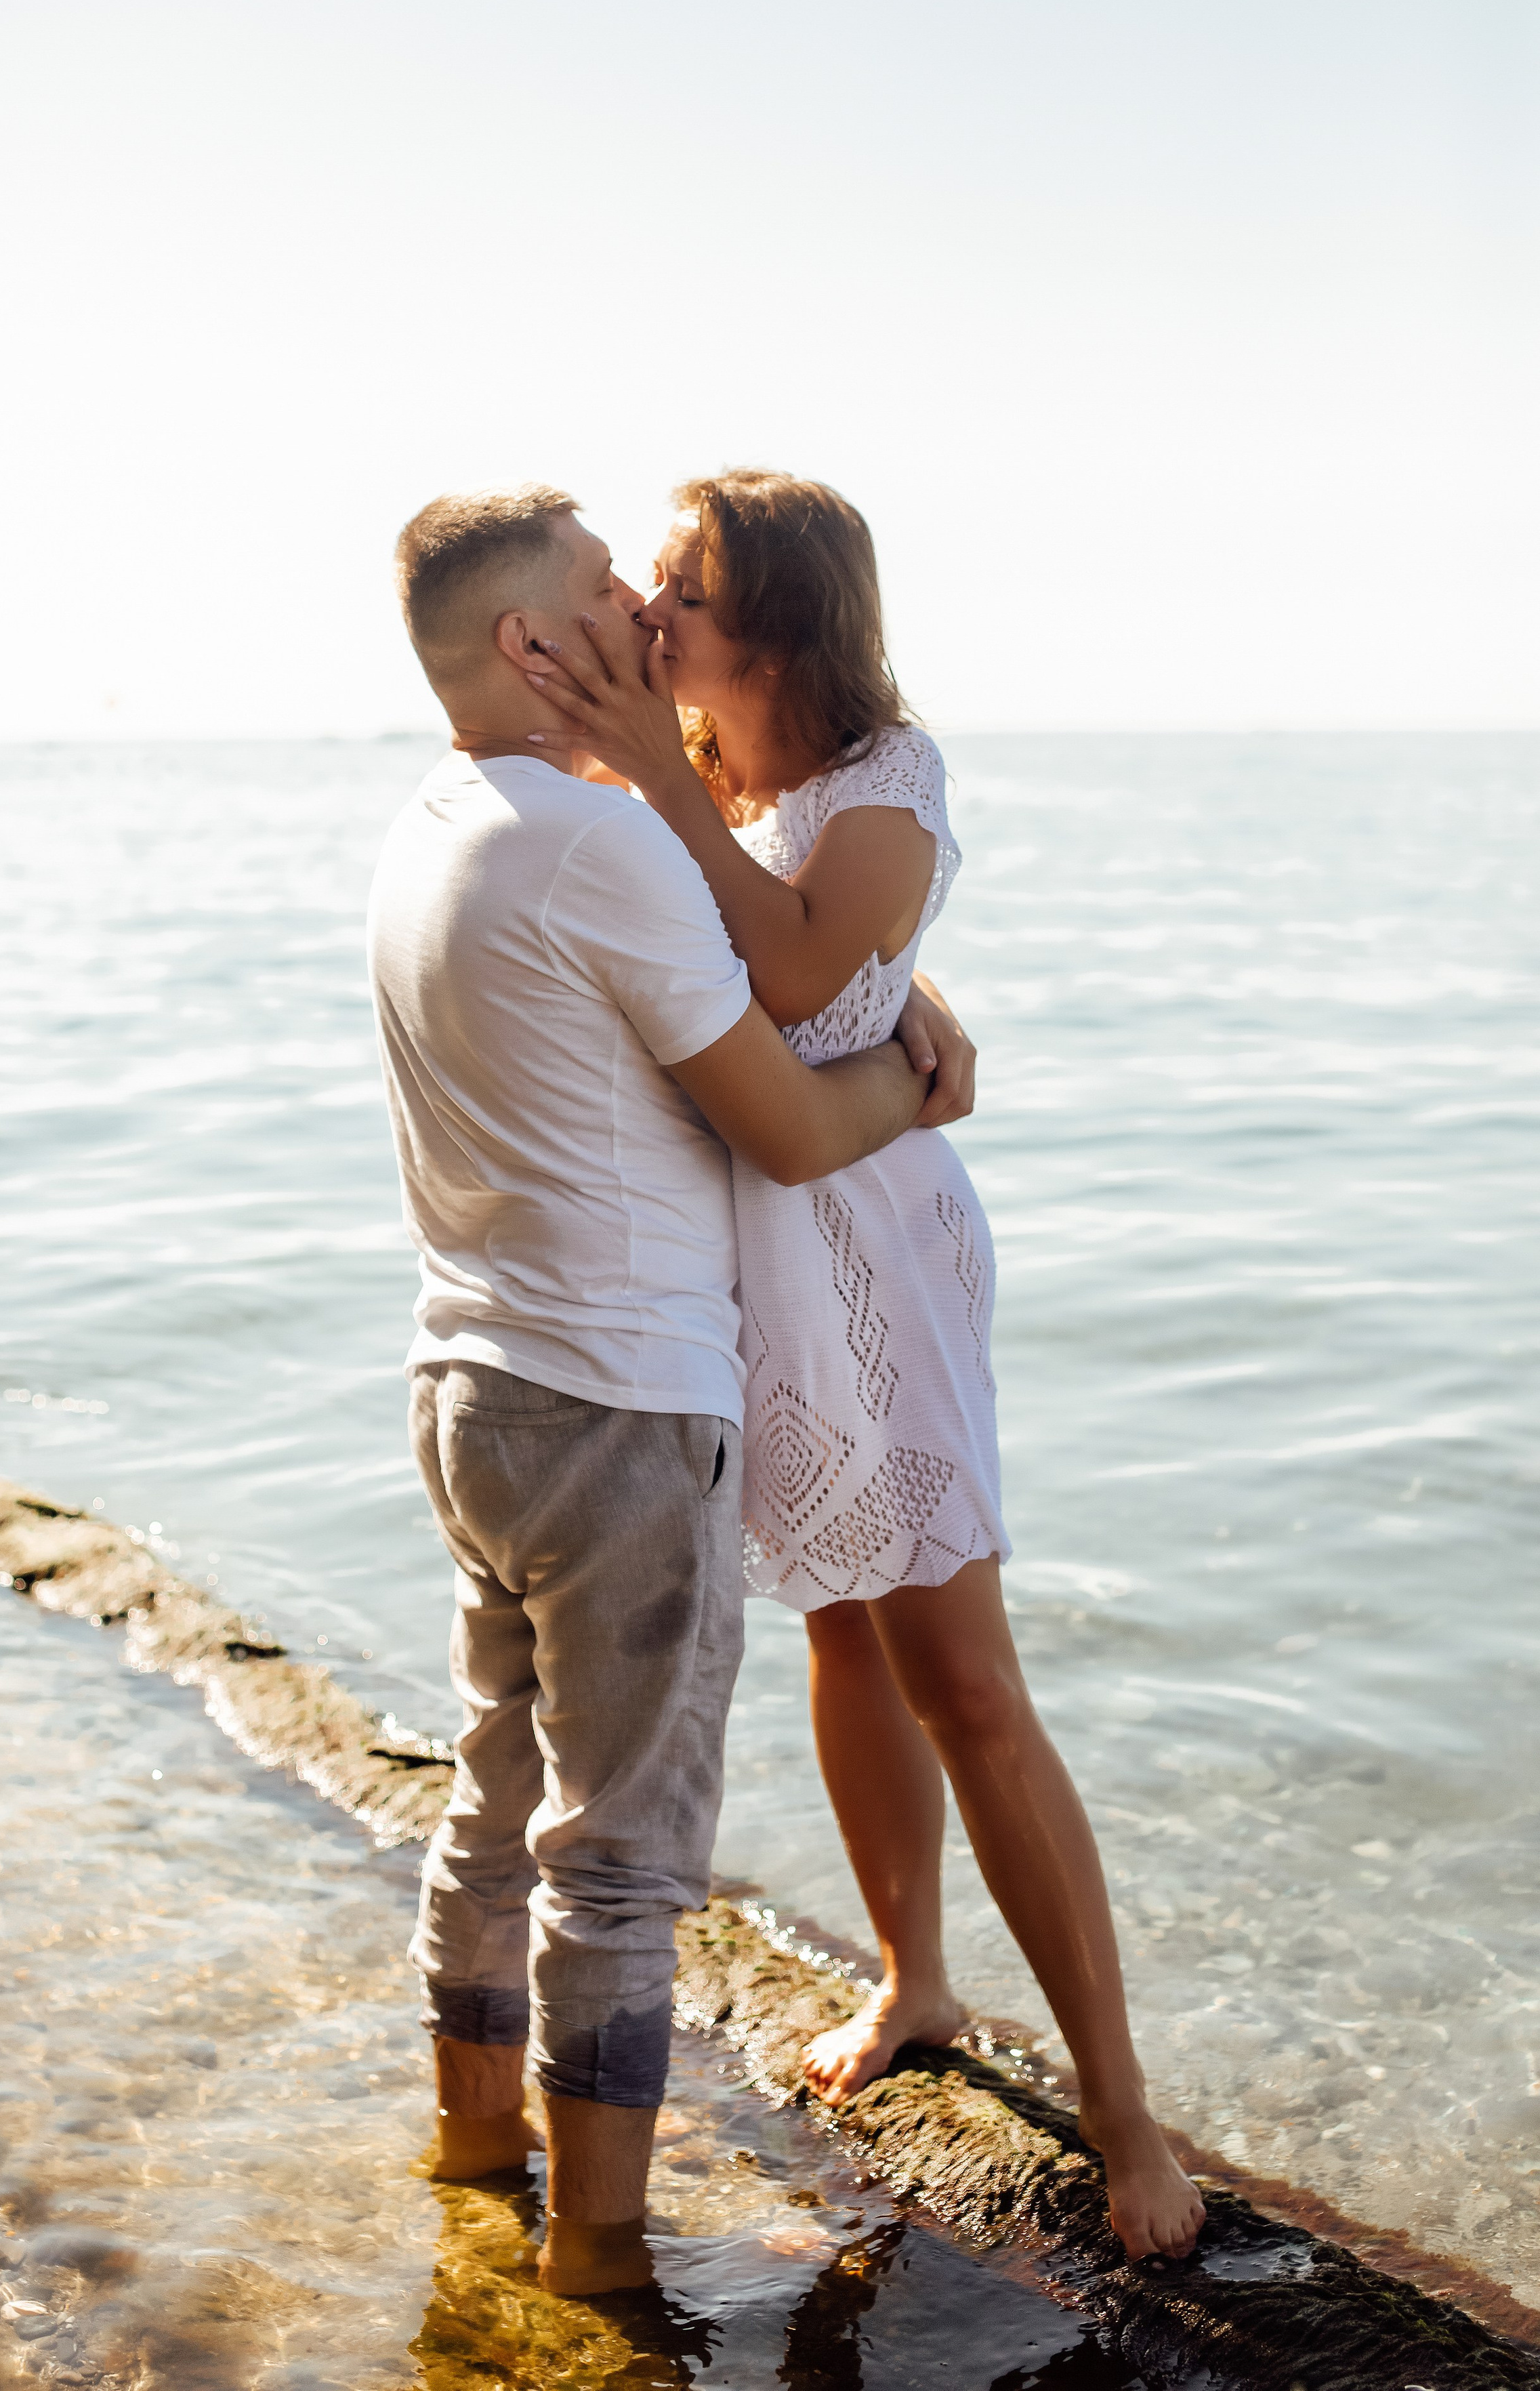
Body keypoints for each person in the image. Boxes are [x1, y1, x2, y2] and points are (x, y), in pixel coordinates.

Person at [520, 468, 1207, 2262]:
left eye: (684, 583)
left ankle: (1127, 2115)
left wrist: (894, 984)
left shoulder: (881, 787)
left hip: (875, 1256)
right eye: (653, 578)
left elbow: (819, 965)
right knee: (839, 1627)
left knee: (966, 1674)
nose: (653, 608)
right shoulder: (682, 773)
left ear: (785, 625)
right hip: (752, 1257)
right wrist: (909, 992)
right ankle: (916, 1983)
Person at [368, 484, 970, 2300]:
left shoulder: (434, 823)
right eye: (598, 587)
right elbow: (789, 1127)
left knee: (492, 1803)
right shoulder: (604, 848)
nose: (635, 601)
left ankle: (477, 2151)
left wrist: (889, 980)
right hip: (617, 1403)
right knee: (621, 1864)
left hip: (467, 1384)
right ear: (526, 646)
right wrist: (921, 1081)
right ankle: (603, 2261)